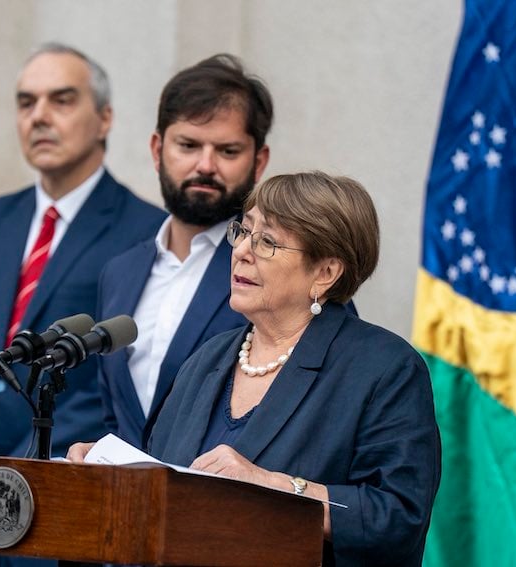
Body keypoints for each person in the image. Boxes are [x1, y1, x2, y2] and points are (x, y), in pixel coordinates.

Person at [72, 172, 441, 566]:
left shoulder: (384, 369)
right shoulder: (206, 360)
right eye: (243, 232)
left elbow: (399, 516)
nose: (242, 251)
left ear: (325, 273)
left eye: (267, 241)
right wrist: (114, 470)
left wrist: (271, 486)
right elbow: (169, 486)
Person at [0, 43, 164, 566]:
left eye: (62, 100)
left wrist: (31, 471)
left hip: (62, 514)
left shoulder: (145, 232)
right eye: (26, 103)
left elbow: (122, 381)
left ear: (105, 118)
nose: (40, 116)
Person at [98, 54, 355, 449]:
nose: (206, 165)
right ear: (156, 149)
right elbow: (112, 414)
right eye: (188, 145)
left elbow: (326, 415)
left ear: (259, 161)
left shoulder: (285, 272)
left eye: (228, 151)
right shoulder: (119, 272)